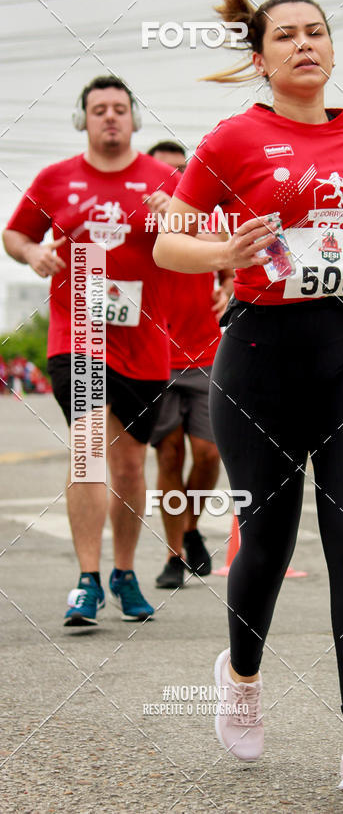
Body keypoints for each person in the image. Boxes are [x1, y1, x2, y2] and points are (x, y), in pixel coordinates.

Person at [153, 0, 343, 793]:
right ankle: (239, 678)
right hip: (260, 354)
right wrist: (223, 255)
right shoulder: (232, 140)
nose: (305, 44)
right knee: (265, 542)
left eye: (317, 33)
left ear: (333, 49)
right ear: (261, 58)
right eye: (286, 37)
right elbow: (170, 243)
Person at [3, 75, 179, 627]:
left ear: (134, 119)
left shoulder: (164, 178)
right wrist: (33, 255)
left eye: (119, 109)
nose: (109, 117)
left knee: (129, 466)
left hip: (145, 343)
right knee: (87, 447)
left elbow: (200, 233)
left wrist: (178, 210)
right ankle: (86, 579)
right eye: (98, 109)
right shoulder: (55, 179)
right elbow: (15, 235)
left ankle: (124, 574)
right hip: (77, 335)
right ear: (83, 119)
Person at [146, 141, 233, 589]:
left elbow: (228, 258)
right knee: (170, 454)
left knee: (208, 454)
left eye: (181, 173)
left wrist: (228, 287)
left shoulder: (208, 219)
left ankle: (192, 528)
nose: (172, 182)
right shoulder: (139, 220)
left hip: (206, 355)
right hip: (156, 357)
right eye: (162, 174)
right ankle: (173, 554)